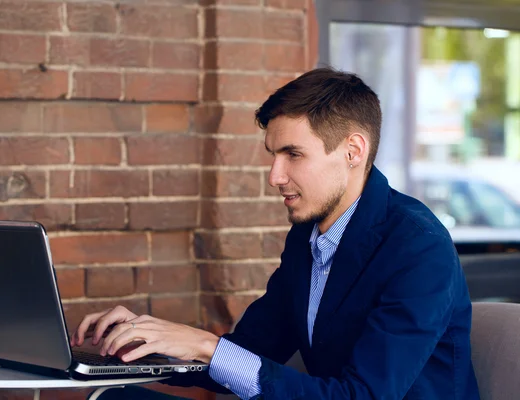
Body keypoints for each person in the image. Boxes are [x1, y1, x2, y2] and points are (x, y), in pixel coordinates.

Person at [71, 67, 480, 400]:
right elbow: (251, 354)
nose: (275, 176)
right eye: (273, 155)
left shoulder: (418, 247)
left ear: (353, 151)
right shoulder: (309, 238)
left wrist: (205, 346)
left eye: (294, 155)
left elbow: (364, 396)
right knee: (115, 397)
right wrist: (143, 345)